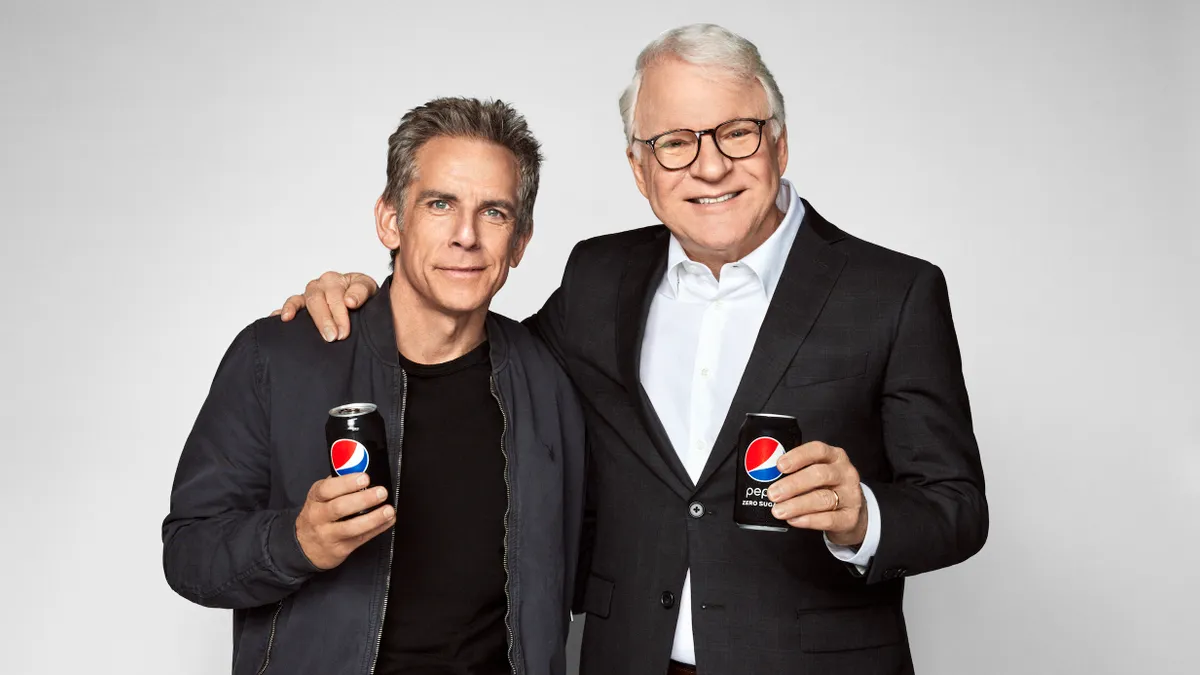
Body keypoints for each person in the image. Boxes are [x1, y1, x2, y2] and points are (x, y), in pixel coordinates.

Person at [281, 24, 987, 675]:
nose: (708, 167)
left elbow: (956, 507)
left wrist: (863, 514)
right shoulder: (600, 276)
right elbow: (478, 347)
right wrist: (375, 293)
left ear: (779, 142)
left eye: (736, 132)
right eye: (675, 142)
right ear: (639, 168)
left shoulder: (893, 292)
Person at [163, 97, 586, 675]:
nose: (466, 235)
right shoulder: (279, 356)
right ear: (391, 219)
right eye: (440, 204)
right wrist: (296, 541)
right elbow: (189, 552)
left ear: (520, 241)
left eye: (494, 212)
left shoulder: (549, 378)